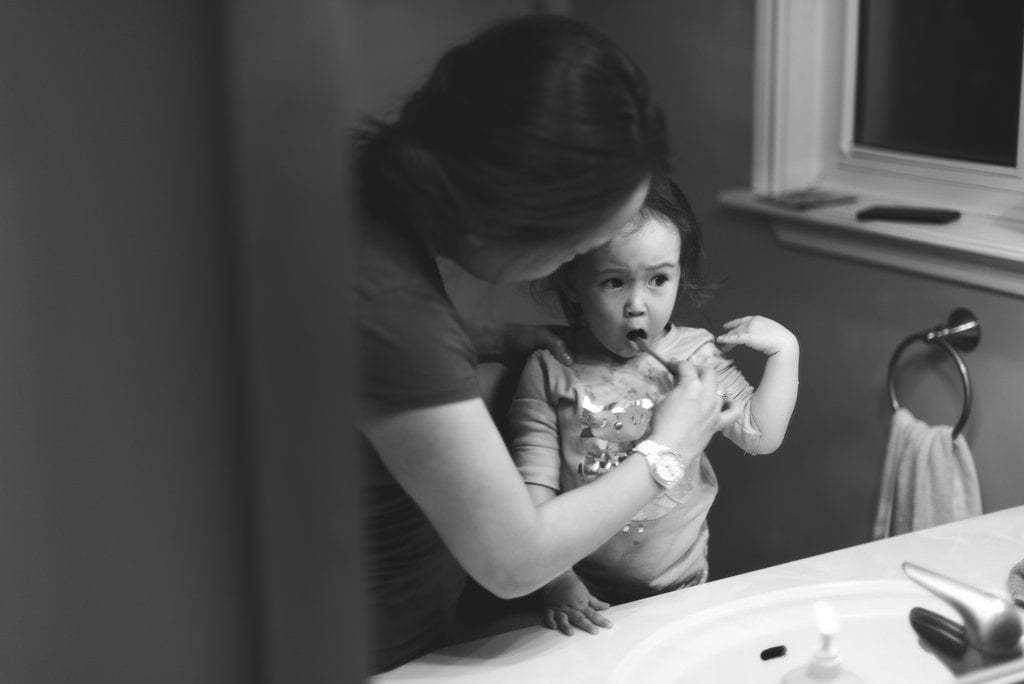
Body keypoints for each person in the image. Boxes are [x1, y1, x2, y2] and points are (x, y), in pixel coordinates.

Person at [355, 15, 740, 673]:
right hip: (373, 622)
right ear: (517, 210)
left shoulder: (357, 189)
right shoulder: (392, 310)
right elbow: (513, 561)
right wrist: (669, 450)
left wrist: (485, 338)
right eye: (589, 248)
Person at [510, 175, 800, 635]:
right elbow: (532, 502)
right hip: (580, 598)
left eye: (659, 279)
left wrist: (786, 353)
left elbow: (761, 436)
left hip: (684, 590)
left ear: (681, 276)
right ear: (572, 284)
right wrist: (556, 581)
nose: (637, 305)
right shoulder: (550, 370)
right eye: (613, 282)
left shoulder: (697, 356)